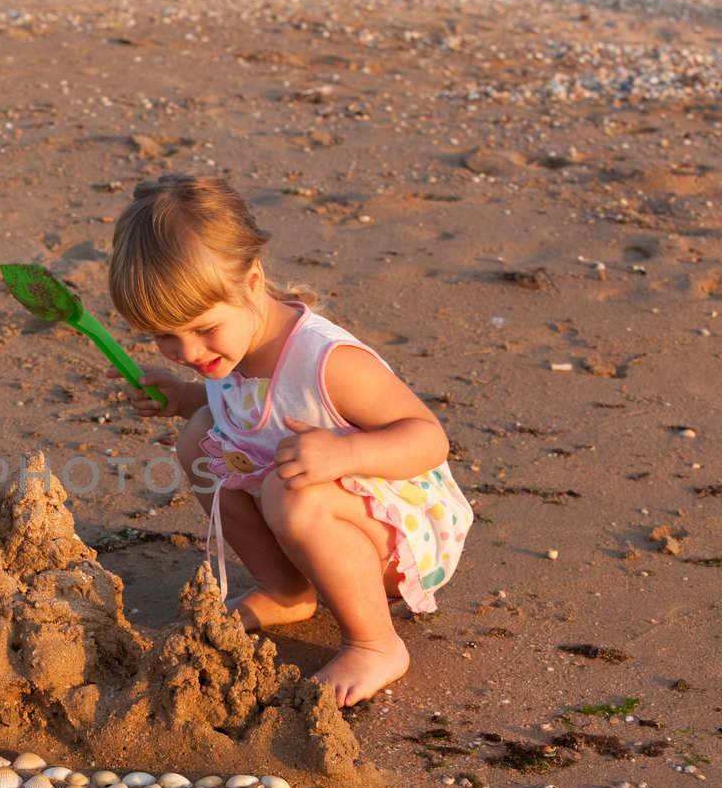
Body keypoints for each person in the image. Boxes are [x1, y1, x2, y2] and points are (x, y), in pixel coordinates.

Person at [106, 173, 472, 706]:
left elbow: (428, 439)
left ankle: (375, 643)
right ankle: (285, 589)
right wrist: (187, 398)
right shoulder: (229, 347)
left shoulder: (328, 363)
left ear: (252, 281)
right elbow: (239, 402)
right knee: (199, 442)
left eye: (202, 328)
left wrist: (345, 451)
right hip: (317, 505)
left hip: (401, 534)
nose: (187, 350)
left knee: (288, 490)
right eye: (165, 336)